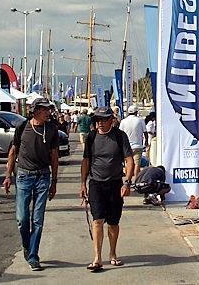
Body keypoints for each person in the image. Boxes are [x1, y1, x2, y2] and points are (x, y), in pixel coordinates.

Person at [3, 101, 59, 271]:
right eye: (43, 110)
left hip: (43, 176)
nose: (47, 113)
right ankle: (27, 246)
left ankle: (33, 255)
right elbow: (13, 151)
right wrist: (7, 176)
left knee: (37, 219)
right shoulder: (22, 127)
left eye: (48, 110)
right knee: (22, 219)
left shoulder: (51, 129)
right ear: (35, 111)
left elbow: (54, 156)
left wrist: (54, 182)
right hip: (24, 176)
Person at [79, 106, 134, 272]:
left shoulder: (119, 136)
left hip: (115, 184)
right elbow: (86, 161)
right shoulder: (91, 137)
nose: (100, 123)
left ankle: (113, 253)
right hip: (96, 184)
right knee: (97, 220)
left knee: (113, 223)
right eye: (98, 120)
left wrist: (127, 182)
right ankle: (97, 257)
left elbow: (129, 159)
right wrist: (82, 184)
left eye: (104, 119)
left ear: (111, 120)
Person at [118, 109, 146, 179]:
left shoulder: (123, 121)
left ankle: (128, 179)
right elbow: (145, 132)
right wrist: (146, 142)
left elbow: (120, 133)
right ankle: (136, 180)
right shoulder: (140, 120)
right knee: (137, 164)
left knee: (128, 163)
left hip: (126, 146)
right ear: (136, 112)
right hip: (138, 146)